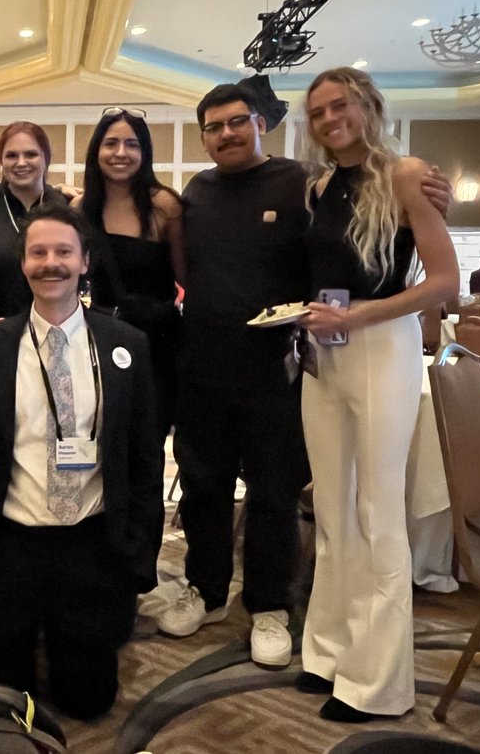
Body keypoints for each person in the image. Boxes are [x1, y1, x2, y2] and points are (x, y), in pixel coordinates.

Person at [0, 205, 164, 720]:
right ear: (23, 264)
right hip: (7, 540)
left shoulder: (126, 345)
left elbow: (145, 457)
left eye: (63, 251)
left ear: (85, 260)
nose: (51, 263)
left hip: (88, 540)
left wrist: (135, 550)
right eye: (38, 252)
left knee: (87, 701)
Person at [294, 67, 458, 722]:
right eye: (318, 111)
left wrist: (357, 316)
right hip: (323, 353)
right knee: (331, 510)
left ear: (367, 106)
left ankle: (379, 684)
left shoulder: (405, 174)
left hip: (380, 347)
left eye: (341, 105)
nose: (330, 118)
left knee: (377, 513)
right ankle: (330, 654)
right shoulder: (319, 185)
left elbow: (444, 281)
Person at [161, 83, 311, 665]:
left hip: (275, 370)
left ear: (259, 123)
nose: (225, 133)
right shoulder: (198, 190)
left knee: (274, 493)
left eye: (235, 122)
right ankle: (208, 588)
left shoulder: (297, 183)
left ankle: (270, 604)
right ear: (203, 136)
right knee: (204, 487)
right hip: (201, 365)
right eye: (213, 126)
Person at [73, 106, 183, 440]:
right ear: (97, 151)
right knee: (104, 439)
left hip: (158, 344)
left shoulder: (164, 205)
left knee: (149, 441)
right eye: (111, 144)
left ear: (145, 152)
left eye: (132, 144)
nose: (120, 153)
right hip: (101, 340)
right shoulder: (81, 209)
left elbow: (186, 276)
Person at [0, 122, 69, 323]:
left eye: (31, 154)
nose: (21, 162)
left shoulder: (64, 207)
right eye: (11, 156)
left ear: (46, 159)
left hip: (54, 328)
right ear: (1, 161)